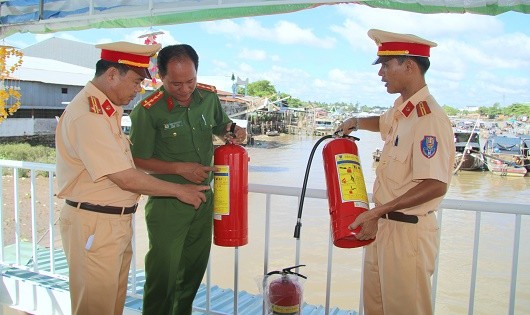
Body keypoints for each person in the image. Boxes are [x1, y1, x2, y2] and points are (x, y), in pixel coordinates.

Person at [55, 41, 210, 315]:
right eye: (137, 81)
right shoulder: (89, 116)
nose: (139, 89)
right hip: (95, 224)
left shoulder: (106, 110)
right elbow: (125, 177)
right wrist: (179, 191)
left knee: (111, 305)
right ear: (112, 74)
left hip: (111, 223)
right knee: (95, 308)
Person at [336, 29, 455, 315]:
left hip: (408, 232)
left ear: (409, 66)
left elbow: (436, 184)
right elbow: (382, 122)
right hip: (383, 226)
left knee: (405, 309)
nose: (382, 74)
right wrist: (356, 121)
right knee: (375, 307)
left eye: (387, 66)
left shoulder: (429, 118)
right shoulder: (404, 110)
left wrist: (377, 212)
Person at [128, 44, 246, 315]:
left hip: (204, 200)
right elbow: (137, 159)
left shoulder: (207, 97)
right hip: (168, 201)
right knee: (163, 276)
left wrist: (231, 130)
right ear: (160, 77)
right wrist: (180, 168)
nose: (184, 89)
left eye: (190, 81)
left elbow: (219, 126)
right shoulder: (148, 111)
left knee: (193, 272)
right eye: (176, 83)